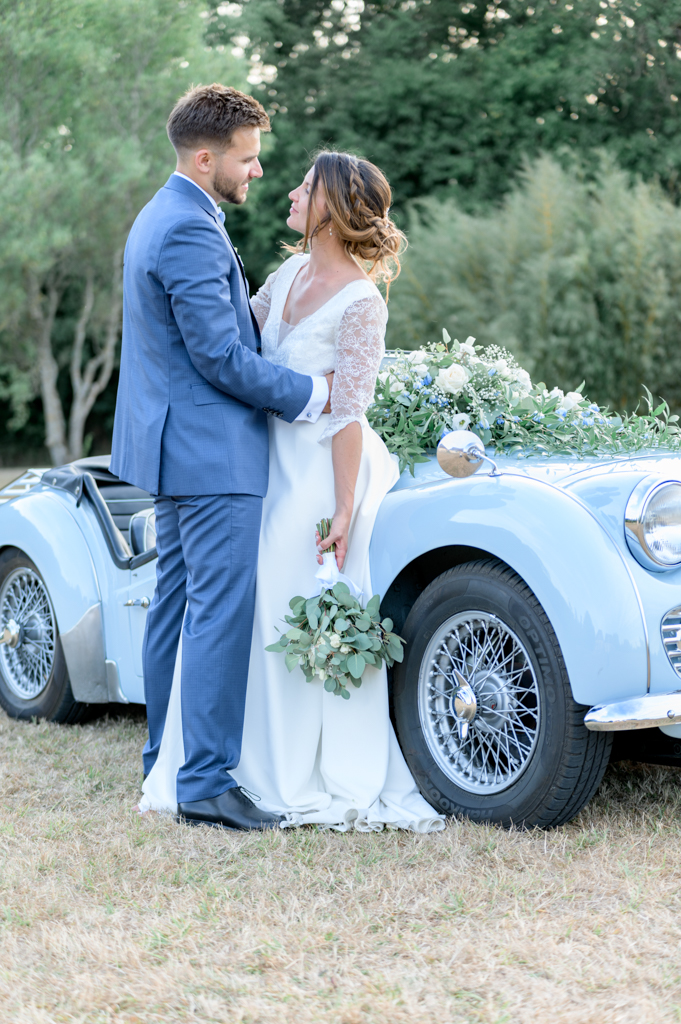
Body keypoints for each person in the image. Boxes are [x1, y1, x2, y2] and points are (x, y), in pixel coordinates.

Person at [141, 149, 445, 833]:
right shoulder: (284, 275)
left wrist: (341, 509)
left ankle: (289, 764)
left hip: (320, 474)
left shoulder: (361, 303)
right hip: (262, 461)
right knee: (241, 604)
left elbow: (348, 414)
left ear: (332, 208)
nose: (289, 193)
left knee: (284, 597)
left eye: (305, 188)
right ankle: (233, 762)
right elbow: (235, 351)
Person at [111, 83, 334, 832]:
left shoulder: (163, 214)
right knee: (216, 612)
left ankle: (165, 760)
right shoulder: (187, 230)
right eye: (247, 158)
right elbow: (217, 356)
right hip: (211, 451)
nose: (258, 172)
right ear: (205, 158)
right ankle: (203, 779)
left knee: (176, 606)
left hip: (175, 446)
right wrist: (308, 393)